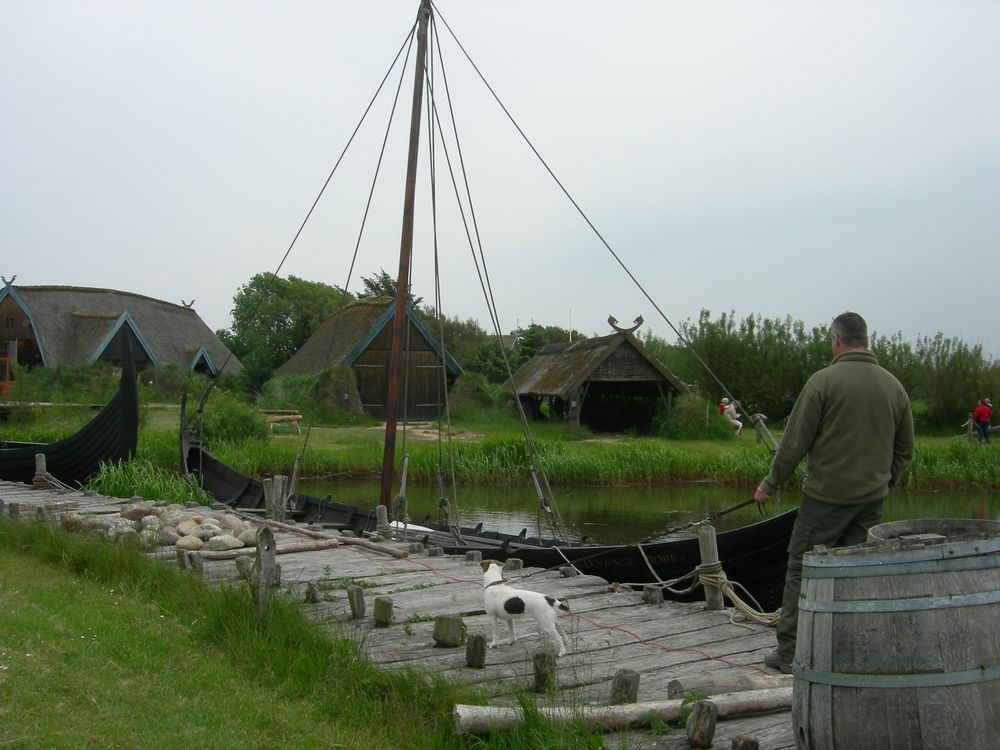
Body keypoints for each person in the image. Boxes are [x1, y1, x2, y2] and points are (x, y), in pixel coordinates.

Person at [753, 312, 914, 673]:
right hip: (871, 502)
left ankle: (791, 650)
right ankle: (846, 648)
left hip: (824, 501)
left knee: (800, 567)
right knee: (853, 572)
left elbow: (793, 443)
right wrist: (885, 483)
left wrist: (770, 484)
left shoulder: (822, 382)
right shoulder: (894, 386)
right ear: (866, 340)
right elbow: (905, 450)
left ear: (836, 340)